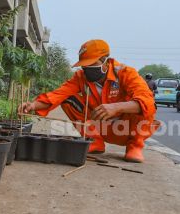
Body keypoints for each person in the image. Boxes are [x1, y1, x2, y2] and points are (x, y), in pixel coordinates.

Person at [18, 39, 157, 163]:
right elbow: (58, 95)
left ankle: (135, 146)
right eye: (84, 65)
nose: (87, 69)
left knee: (145, 105)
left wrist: (116, 107)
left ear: (104, 60)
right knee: (68, 99)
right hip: (101, 125)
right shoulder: (80, 77)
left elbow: (148, 101)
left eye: (91, 64)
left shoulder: (125, 73)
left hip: (127, 128)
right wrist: (33, 105)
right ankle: (94, 141)